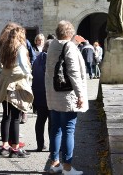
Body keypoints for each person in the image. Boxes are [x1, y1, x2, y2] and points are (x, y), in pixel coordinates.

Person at [44, 20, 88, 175]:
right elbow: (73, 73)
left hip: (53, 94)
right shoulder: (68, 46)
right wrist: (80, 94)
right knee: (68, 129)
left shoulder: (53, 46)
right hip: (67, 94)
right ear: (70, 33)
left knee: (55, 129)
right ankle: (67, 167)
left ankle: (55, 163)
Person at [0, 23, 33, 158]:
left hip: (4, 83)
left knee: (6, 116)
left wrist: (4, 69)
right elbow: (23, 64)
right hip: (15, 84)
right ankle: (15, 148)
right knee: (15, 117)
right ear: (21, 36)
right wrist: (28, 74)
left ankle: (4, 145)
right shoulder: (20, 48)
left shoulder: (4, 48)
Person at [31, 38, 52, 152]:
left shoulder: (37, 58)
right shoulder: (49, 58)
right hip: (48, 93)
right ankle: (53, 144)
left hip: (37, 93)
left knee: (40, 120)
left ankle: (40, 144)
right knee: (52, 121)